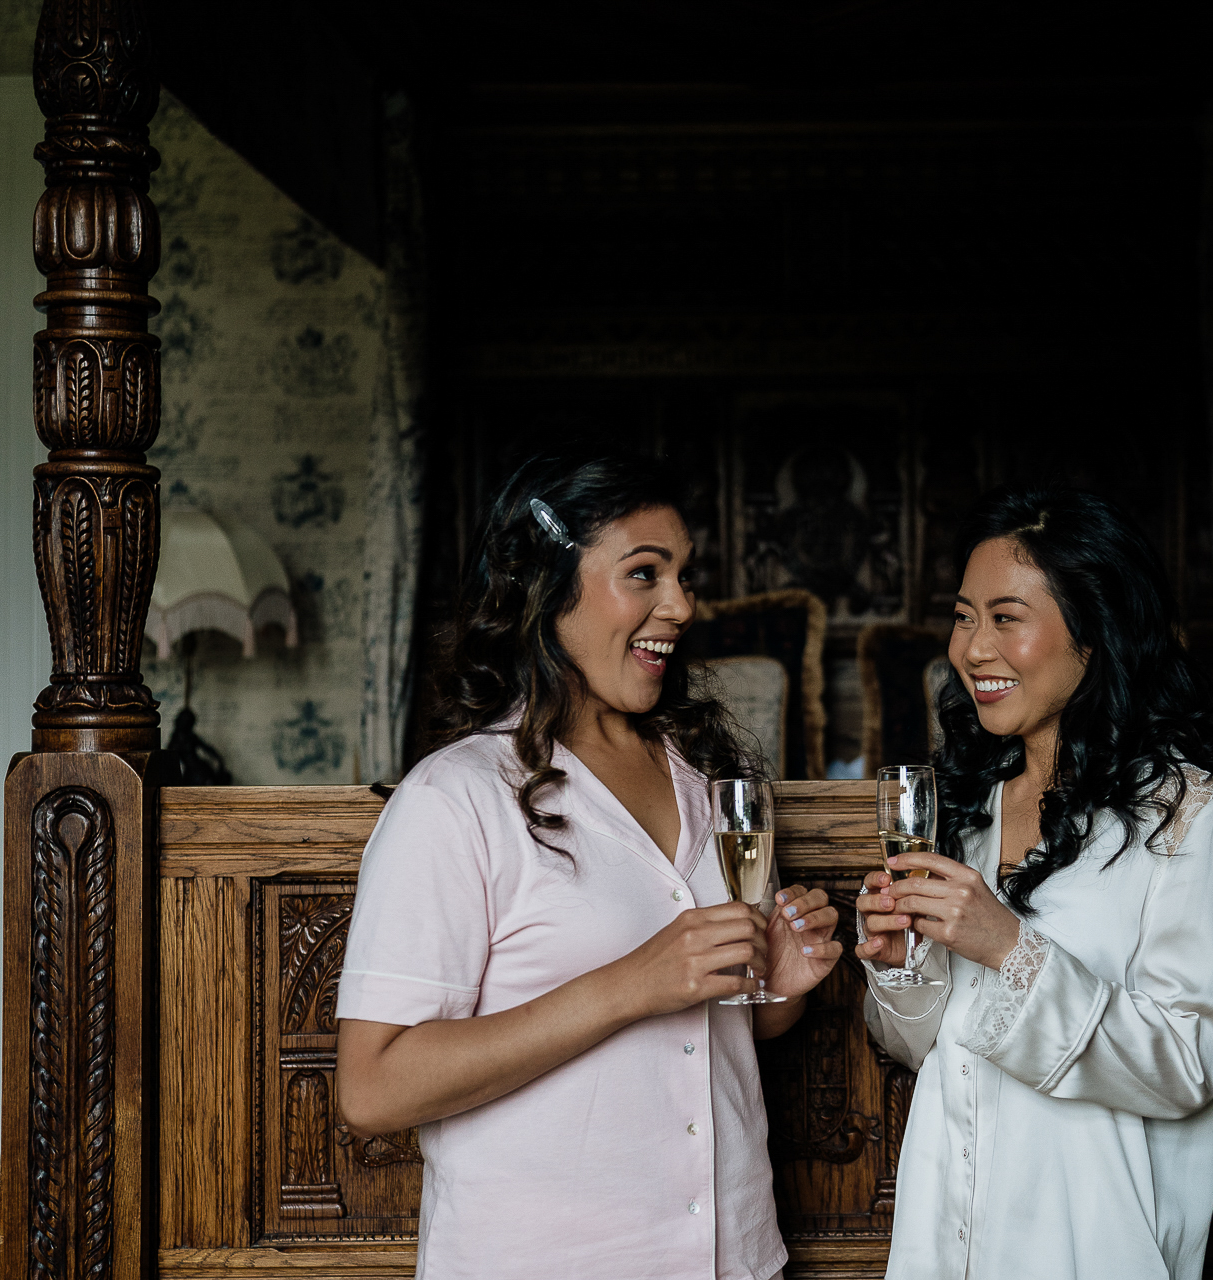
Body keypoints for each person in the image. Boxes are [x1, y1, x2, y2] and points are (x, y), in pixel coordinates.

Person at [334, 455, 842, 1280]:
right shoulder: (455, 798)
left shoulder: (709, 780)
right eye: (644, 573)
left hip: (736, 1259)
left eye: (682, 575)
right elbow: (372, 1088)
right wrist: (631, 983)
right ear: (547, 584)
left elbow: (717, 1033)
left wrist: (776, 985)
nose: (681, 606)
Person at [855, 486, 1213, 1280]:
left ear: (1096, 635)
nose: (971, 648)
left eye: (1007, 618)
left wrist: (1007, 944)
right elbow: (927, 1050)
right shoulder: (965, 810)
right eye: (966, 615)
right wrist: (898, 962)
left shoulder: (1190, 819)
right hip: (943, 1240)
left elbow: (1186, 1065)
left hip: (1092, 1249)